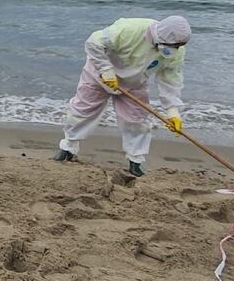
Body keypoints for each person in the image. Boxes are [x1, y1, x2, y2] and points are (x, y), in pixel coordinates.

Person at [52, 16, 191, 177]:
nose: (176, 49)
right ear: (162, 37)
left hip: (134, 83)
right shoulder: (129, 29)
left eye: (180, 46)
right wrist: (105, 69)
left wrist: (173, 111)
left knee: (137, 120)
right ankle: (68, 148)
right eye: (175, 45)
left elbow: (171, 80)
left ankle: (136, 161)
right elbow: (94, 42)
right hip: (99, 75)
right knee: (81, 111)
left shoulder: (175, 53)